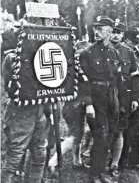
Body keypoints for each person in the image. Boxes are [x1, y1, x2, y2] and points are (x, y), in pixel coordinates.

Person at [78, 16, 125, 183]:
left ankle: (101, 172)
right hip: (96, 98)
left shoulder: (114, 52)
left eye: (100, 29)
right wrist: (88, 103)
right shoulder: (87, 53)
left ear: (110, 32)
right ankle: (94, 175)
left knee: (110, 135)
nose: (96, 31)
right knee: (101, 136)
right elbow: (83, 82)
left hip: (112, 97)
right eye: (95, 29)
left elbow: (119, 79)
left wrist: (122, 103)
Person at [2, 47, 48, 183]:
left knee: (40, 154)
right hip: (21, 110)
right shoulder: (12, 57)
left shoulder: (42, 53)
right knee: (15, 155)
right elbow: (10, 89)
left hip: (39, 109)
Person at [48, 41, 90, 171]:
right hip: (75, 106)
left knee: (78, 134)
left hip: (72, 106)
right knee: (74, 136)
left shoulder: (71, 67)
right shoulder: (80, 70)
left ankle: (77, 161)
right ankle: (53, 161)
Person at [108, 20, 139, 174]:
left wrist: (135, 98)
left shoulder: (128, 52)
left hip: (123, 97)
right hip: (104, 95)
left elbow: (135, 77)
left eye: (118, 32)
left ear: (122, 35)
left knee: (119, 131)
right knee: (102, 130)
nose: (115, 35)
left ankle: (115, 164)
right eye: (113, 32)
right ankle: (100, 161)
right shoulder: (101, 49)